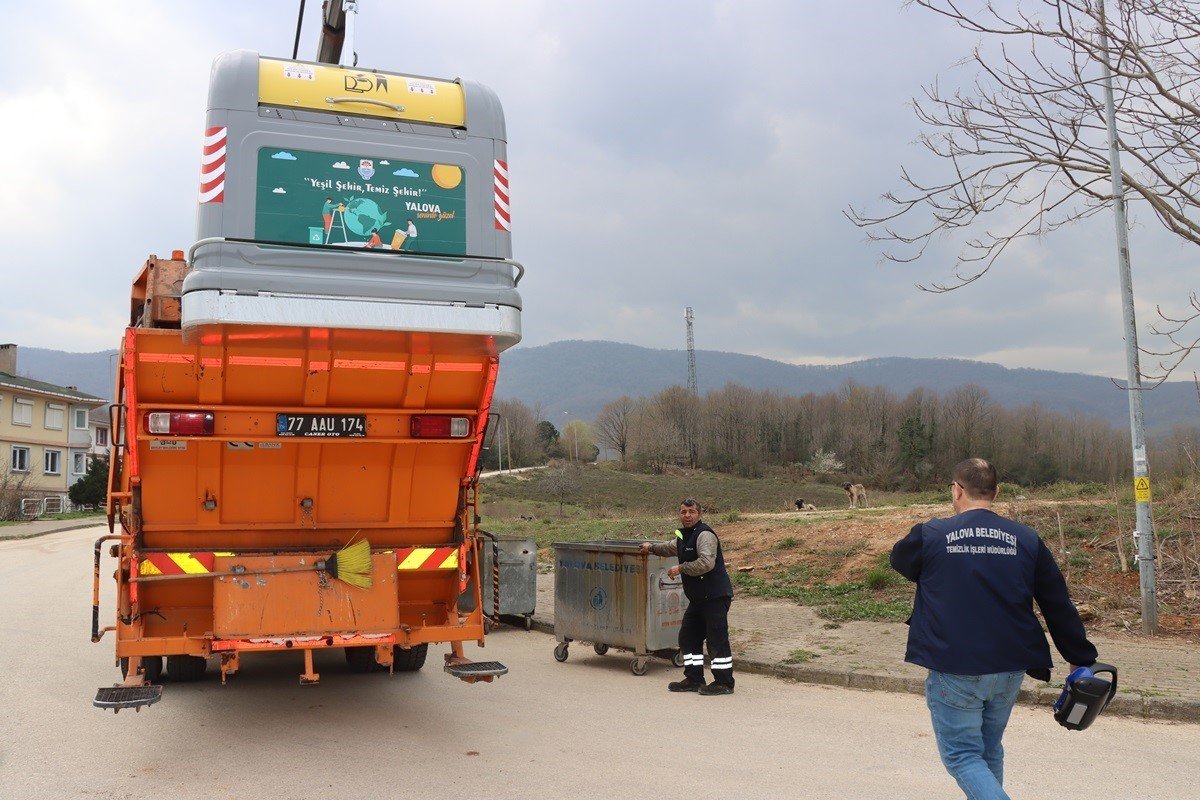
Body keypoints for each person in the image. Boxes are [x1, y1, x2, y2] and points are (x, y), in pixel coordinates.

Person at [890, 458, 1098, 800]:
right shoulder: (1027, 539)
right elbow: (1057, 603)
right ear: (996, 493)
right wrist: (1079, 658)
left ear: (957, 490)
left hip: (955, 666)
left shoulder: (931, 534)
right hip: (1009, 667)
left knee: (963, 756)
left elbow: (900, 562)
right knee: (987, 751)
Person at [639, 498, 735, 695]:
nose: (687, 515)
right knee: (688, 637)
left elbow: (706, 563)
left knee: (717, 640)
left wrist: (680, 568)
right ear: (679, 514)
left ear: (699, 514)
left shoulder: (705, 535)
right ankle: (694, 678)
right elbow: (670, 547)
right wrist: (651, 548)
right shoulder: (684, 535)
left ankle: (724, 683)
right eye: (683, 512)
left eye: (691, 511)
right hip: (699, 599)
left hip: (715, 597)